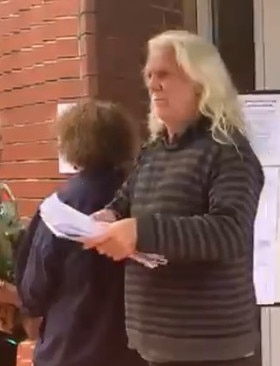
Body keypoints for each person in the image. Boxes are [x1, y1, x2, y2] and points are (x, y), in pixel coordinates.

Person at [82, 30, 264, 366]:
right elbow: (124, 201)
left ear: (200, 82)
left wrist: (141, 231)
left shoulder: (229, 152)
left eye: (164, 74)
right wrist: (107, 217)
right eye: (149, 75)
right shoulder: (153, 151)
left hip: (210, 349)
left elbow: (229, 231)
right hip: (153, 343)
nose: (152, 84)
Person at [18, 100, 147, 366]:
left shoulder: (58, 207)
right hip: (132, 351)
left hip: (68, 350)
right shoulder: (144, 198)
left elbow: (33, 290)